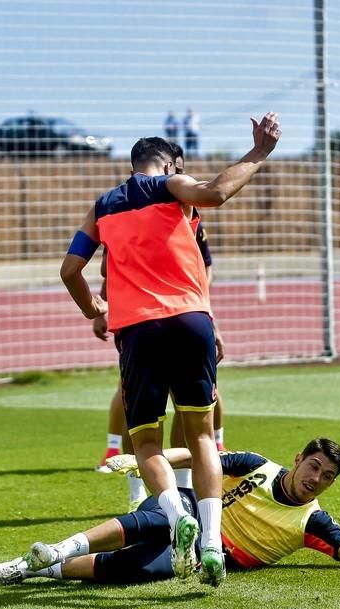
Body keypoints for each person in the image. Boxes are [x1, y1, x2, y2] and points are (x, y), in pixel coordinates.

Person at [59, 112, 281, 586]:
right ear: (166, 164)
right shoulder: (172, 186)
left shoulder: (102, 208)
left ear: (132, 165)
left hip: (138, 331)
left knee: (148, 444)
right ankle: (212, 544)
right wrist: (260, 152)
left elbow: (69, 270)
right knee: (202, 437)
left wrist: (92, 309)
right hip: (190, 322)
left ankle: (174, 513)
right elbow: (216, 192)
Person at [0, 437, 340, 587]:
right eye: (314, 467)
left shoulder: (312, 522)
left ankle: (32, 570)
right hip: (194, 511)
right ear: (298, 458)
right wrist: (145, 460)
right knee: (155, 520)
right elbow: (197, 456)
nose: (315, 479)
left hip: (220, 555)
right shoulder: (256, 466)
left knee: (136, 569)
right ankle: (57, 549)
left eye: (326, 477)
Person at [93, 144, 229, 508]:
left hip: (179, 317)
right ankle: (138, 490)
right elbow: (112, 265)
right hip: (145, 319)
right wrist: (104, 306)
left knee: (191, 411)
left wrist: (209, 317)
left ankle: (181, 488)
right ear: (168, 167)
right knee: (137, 407)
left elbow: (201, 268)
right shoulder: (133, 207)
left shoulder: (188, 213)